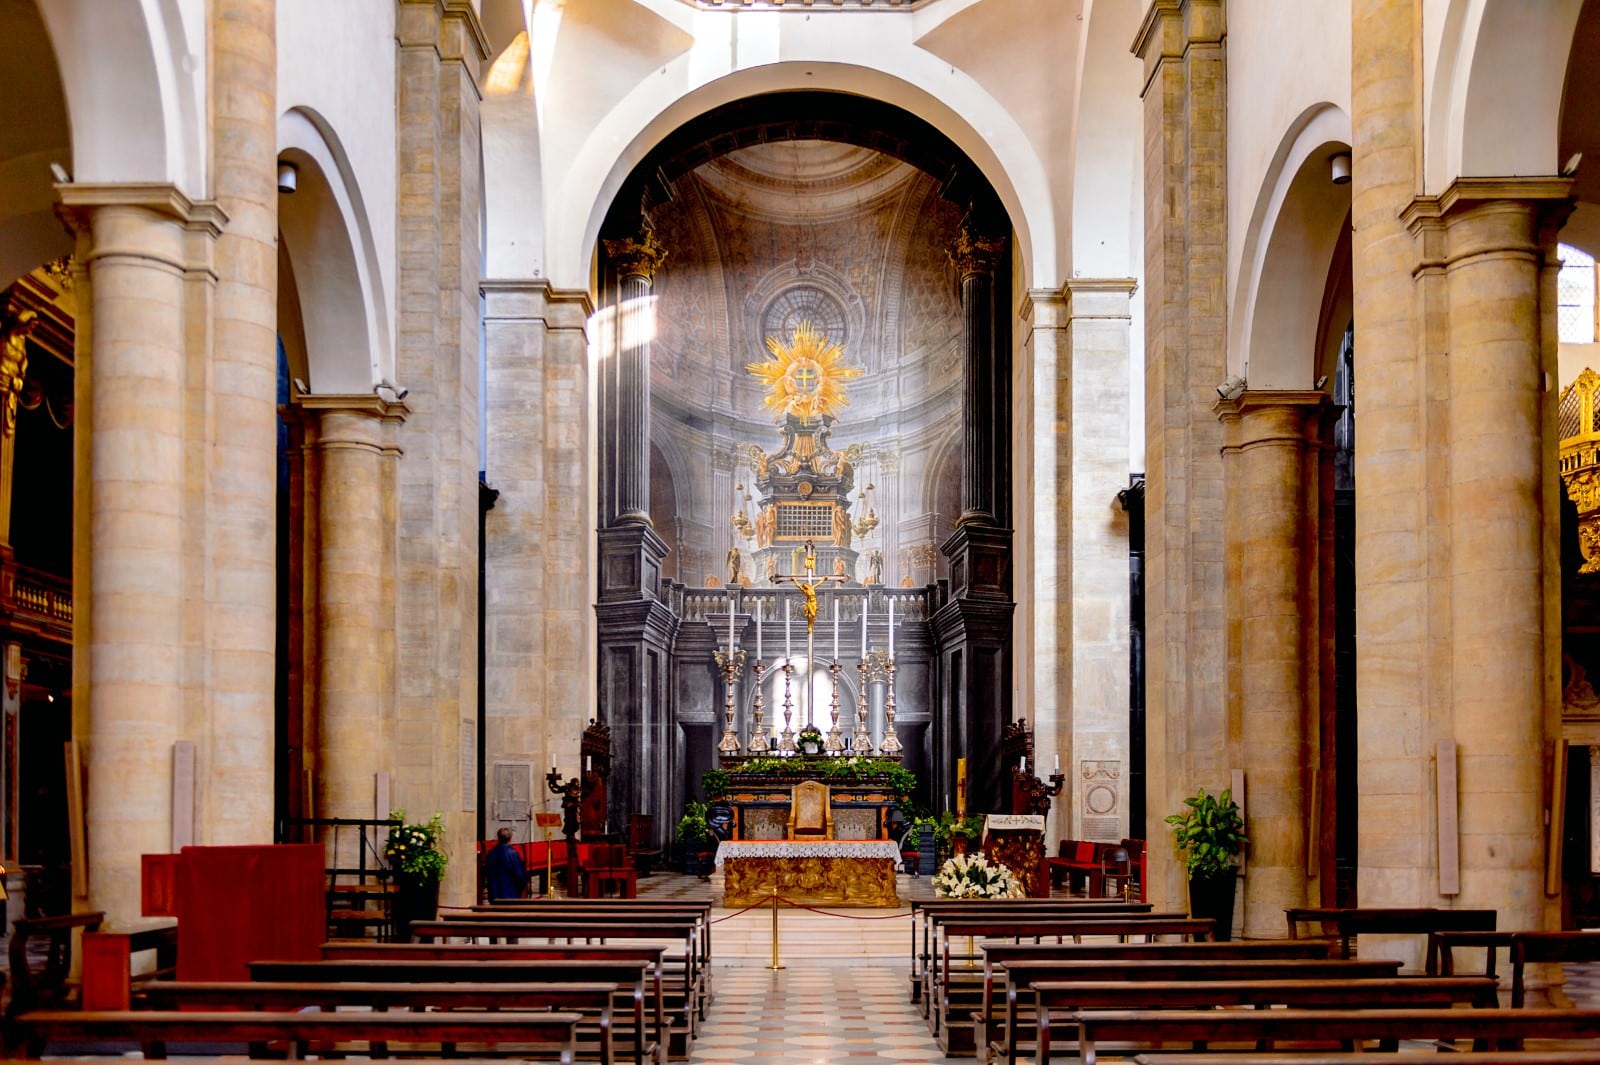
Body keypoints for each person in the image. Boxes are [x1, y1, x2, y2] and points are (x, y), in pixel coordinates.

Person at [483, 826, 528, 900]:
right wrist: (518, 890)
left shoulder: (491, 854)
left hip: (494, 896)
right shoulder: (513, 855)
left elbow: (487, 874)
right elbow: (521, 876)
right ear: (510, 838)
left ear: (498, 838)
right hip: (511, 896)